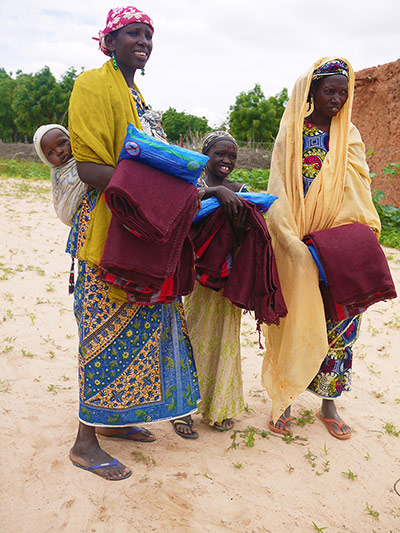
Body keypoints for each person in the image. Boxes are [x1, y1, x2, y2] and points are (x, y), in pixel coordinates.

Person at [67, 6, 200, 480]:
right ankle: (84, 443)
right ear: (110, 40)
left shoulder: (135, 93)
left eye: (148, 34)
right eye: (133, 33)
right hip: (107, 233)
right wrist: (172, 192)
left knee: (140, 328)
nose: (143, 40)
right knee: (102, 336)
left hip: (139, 229)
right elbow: (89, 168)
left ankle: (115, 423)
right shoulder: (93, 85)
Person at [262, 58, 381, 440]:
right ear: (312, 91)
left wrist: (354, 239)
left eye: (343, 93)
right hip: (300, 243)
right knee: (296, 319)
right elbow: (279, 188)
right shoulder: (294, 133)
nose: (337, 98)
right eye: (330, 90)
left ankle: (329, 404)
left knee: (341, 322)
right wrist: (290, 240)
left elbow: (360, 191)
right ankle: (285, 399)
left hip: (340, 247)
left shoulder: (352, 136)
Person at [177, 132, 247, 437]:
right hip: (194, 278)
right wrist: (215, 193)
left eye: (232, 156)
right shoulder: (191, 187)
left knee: (224, 339)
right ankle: (183, 410)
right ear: (205, 154)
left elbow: (248, 236)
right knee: (189, 339)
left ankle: (219, 407)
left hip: (226, 278)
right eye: (220, 154)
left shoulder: (241, 191)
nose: (226, 161)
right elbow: (179, 215)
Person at [33, 124, 87, 227]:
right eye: (51, 152)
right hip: (82, 224)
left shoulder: (85, 156)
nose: (59, 151)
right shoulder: (58, 175)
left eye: (62, 143)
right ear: (46, 159)